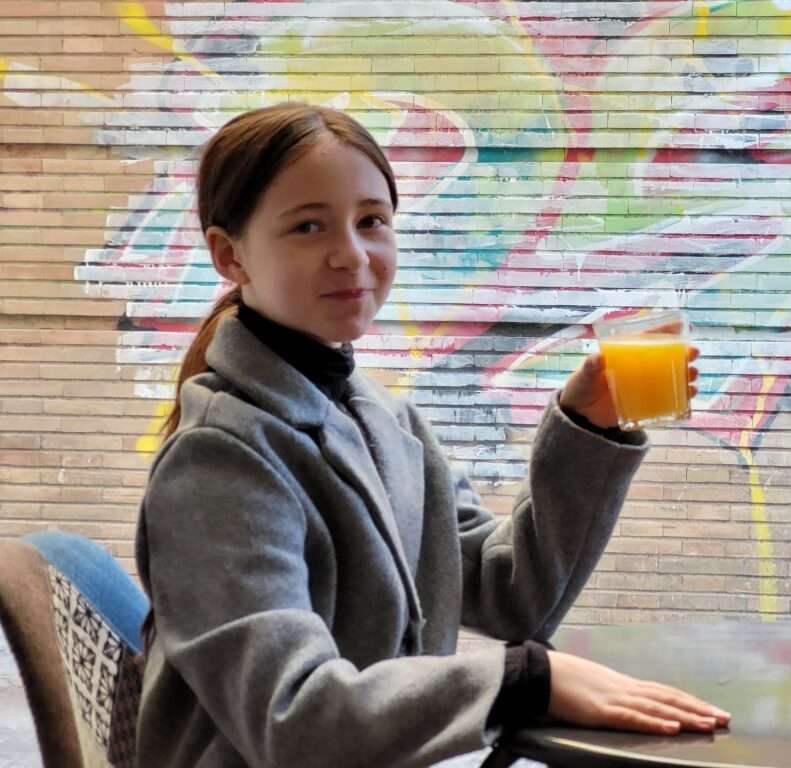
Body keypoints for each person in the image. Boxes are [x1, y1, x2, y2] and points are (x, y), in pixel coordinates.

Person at [134, 102, 730, 768]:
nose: (351, 255)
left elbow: (511, 598)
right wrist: (525, 681)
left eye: (371, 222)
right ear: (230, 254)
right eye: (307, 226)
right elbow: (292, 717)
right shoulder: (218, 460)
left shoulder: (383, 418)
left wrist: (586, 430)